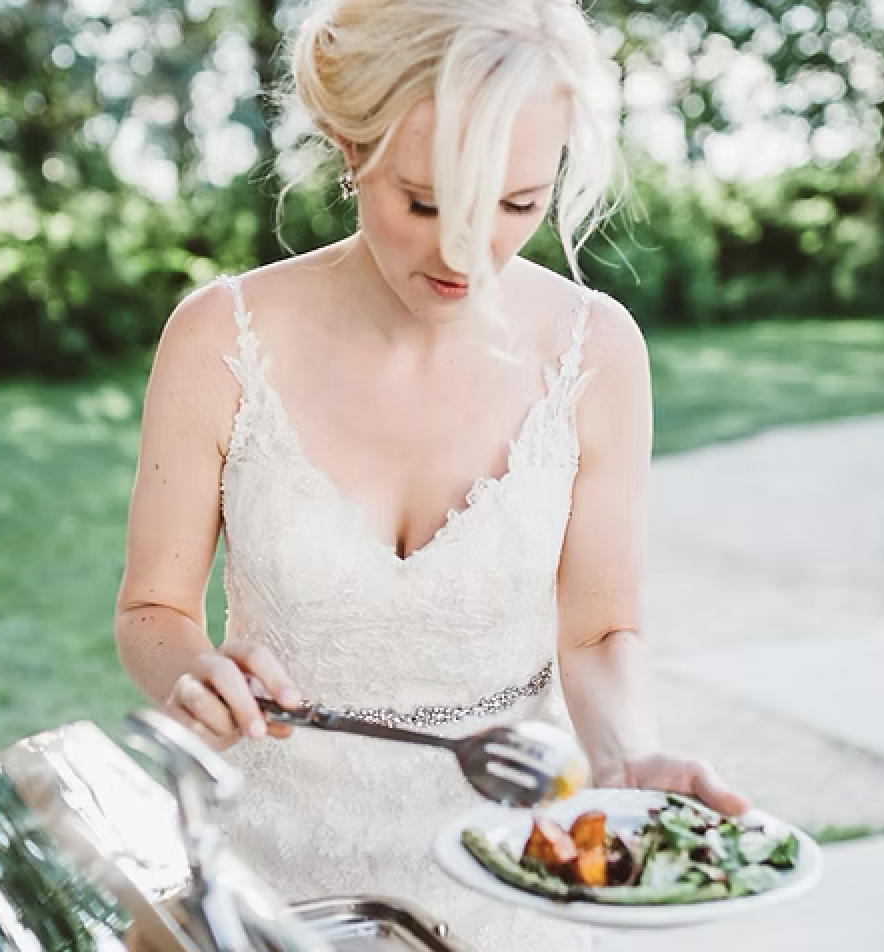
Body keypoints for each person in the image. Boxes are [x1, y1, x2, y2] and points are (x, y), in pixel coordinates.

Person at [114, 0, 749, 947]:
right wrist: (196, 672)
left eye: (518, 205)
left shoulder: (598, 351)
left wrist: (629, 753)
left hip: (514, 883)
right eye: (426, 201)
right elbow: (151, 612)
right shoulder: (218, 338)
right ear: (347, 146)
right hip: (267, 886)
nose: (469, 251)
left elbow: (601, 628)